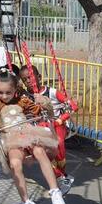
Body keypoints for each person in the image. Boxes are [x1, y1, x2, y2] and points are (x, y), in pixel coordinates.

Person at [0, 69, 68, 204]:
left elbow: (43, 113)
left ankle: (55, 193)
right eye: (0, 92)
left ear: (15, 89)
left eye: (8, 92)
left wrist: (44, 103)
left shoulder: (23, 101)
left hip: (27, 133)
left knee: (39, 151)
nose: (4, 96)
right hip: (11, 139)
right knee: (15, 164)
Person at [26, 65, 74, 194]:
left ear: (39, 77)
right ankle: (60, 177)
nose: (28, 81)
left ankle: (61, 175)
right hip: (40, 128)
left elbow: (73, 106)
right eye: (25, 79)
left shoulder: (52, 92)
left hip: (57, 124)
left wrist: (61, 119)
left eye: (30, 77)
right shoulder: (26, 97)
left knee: (57, 143)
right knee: (43, 150)